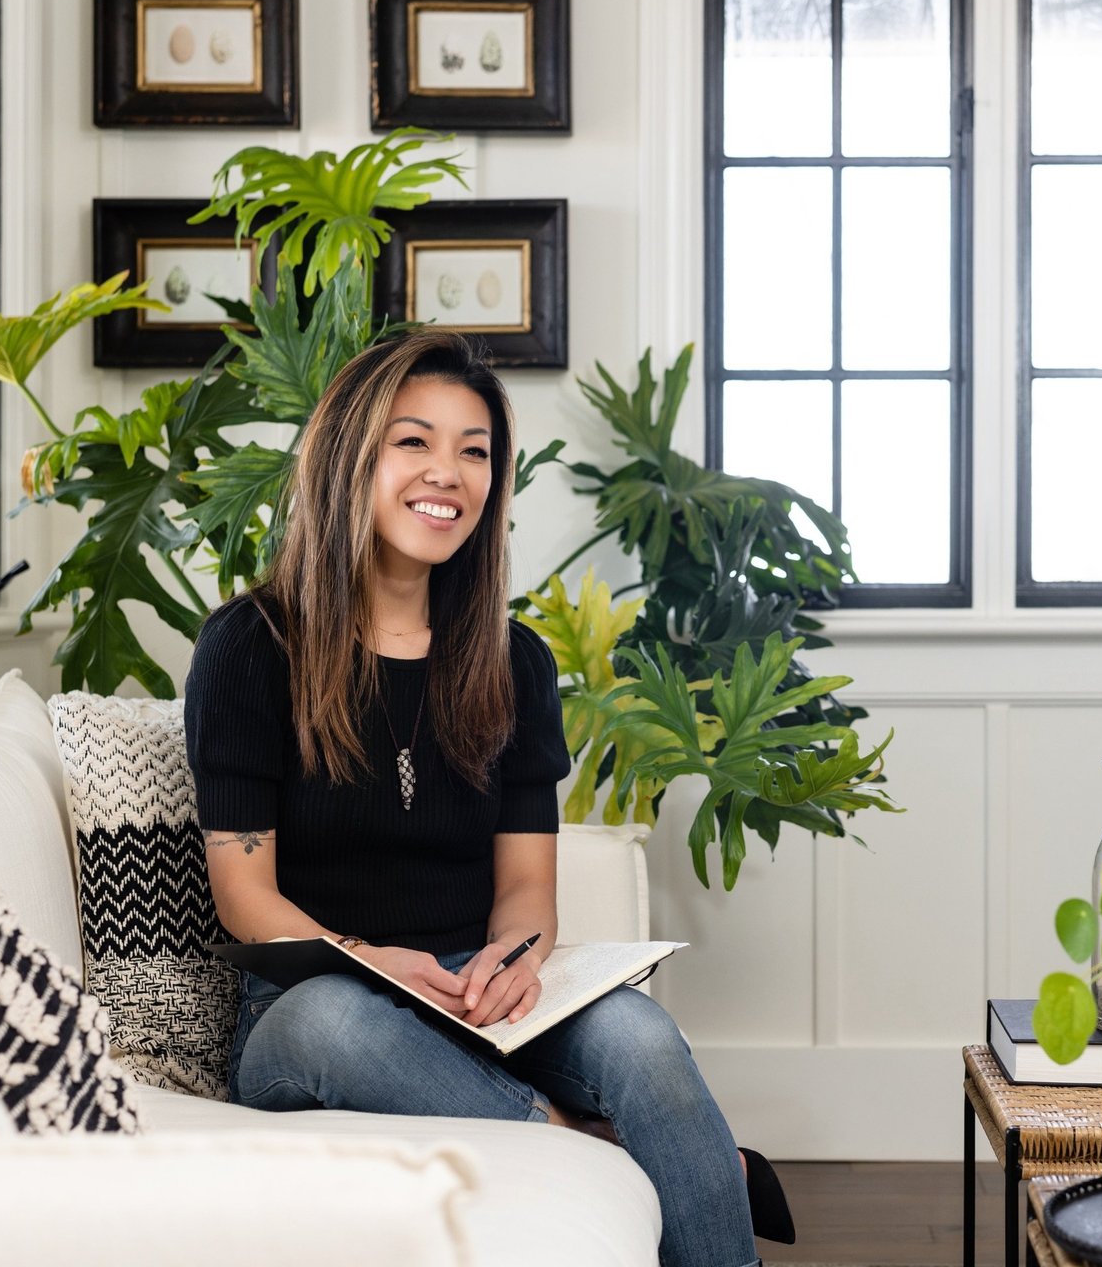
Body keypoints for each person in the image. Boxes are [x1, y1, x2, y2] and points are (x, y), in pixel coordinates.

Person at [182, 329, 793, 1267]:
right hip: (313, 1005)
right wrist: (372, 961)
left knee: (641, 1036)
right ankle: (589, 1147)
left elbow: (526, 888)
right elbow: (244, 895)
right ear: (350, 457)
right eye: (414, 441)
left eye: (474, 451)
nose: (449, 473)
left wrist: (513, 959)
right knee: (336, 1019)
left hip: (476, 993)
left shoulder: (514, 661)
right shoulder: (250, 646)